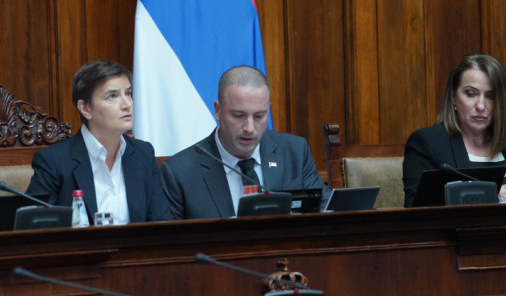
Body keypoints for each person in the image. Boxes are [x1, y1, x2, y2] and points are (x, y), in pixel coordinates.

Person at [160, 66, 324, 220]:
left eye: (259, 116)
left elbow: (325, 213)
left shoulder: (294, 152)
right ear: (218, 111)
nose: (249, 128)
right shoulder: (180, 173)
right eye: (238, 116)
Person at [26, 60, 171, 224]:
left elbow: (162, 223)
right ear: (86, 109)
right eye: (112, 96)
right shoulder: (54, 161)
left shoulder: (143, 154)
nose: (127, 104)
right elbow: (34, 227)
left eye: (128, 93)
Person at [403, 54, 506, 207]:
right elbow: (415, 210)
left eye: (491, 96)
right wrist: (492, 198)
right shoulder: (428, 143)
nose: (481, 106)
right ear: (453, 97)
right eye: (471, 94)